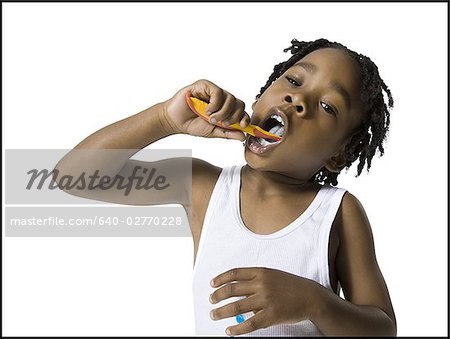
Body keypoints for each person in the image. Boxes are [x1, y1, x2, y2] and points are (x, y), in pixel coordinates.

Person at [54, 38, 396, 336]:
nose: (298, 99)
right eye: (293, 80)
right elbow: (73, 177)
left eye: (327, 106)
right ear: (262, 95)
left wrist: (316, 302)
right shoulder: (204, 187)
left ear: (338, 155)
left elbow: (382, 328)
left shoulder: (338, 211)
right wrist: (165, 119)